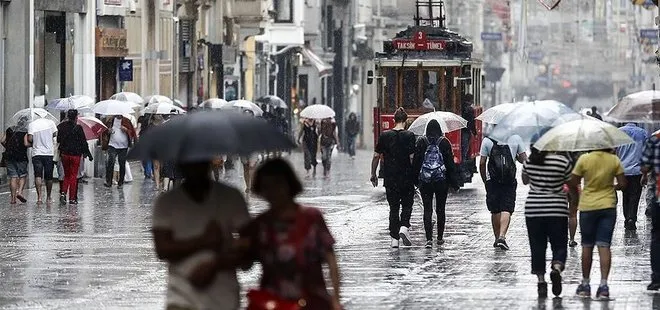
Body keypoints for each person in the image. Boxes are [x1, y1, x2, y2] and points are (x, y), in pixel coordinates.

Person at [240, 159, 341, 310]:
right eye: (266, 186)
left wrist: (336, 299)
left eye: (277, 184)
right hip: (272, 303)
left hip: (312, 302)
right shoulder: (259, 225)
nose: (272, 192)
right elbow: (245, 265)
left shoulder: (312, 218)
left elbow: (331, 261)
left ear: (289, 184)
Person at [152, 160, 250, 310]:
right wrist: (203, 241)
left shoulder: (231, 197)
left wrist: (216, 264)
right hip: (181, 298)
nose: (195, 167)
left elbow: (249, 251)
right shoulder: (167, 202)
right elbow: (162, 249)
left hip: (223, 298)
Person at [569, 148, 626, 299]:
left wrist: (577, 197)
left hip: (588, 206)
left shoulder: (584, 159)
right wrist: (611, 187)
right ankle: (603, 286)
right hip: (608, 206)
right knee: (604, 245)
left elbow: (573, 181)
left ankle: (586, 285)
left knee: (587, 245)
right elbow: (623, 184)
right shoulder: (614, 160)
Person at [522, 147, 576, 298]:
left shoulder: (530, 162)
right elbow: (571, 184)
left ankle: (541, 282)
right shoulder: (561, 161)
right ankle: (557, 268)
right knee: (559, 243)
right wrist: (575, 201)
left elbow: (525, 181)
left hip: (534, 209)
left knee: (537, 245)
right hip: (557, 209)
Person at [371, 107, 417, 248]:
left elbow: (376, 156)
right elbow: (411, 158)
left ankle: (394, 239)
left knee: (393, 207)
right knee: (407, 205)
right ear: (405, 120)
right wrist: (415, 175)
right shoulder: (410, 136)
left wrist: (373, 174)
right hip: (406, 178)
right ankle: (404, 226)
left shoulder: (385, 136)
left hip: (390, 178)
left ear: (394, 120)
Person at [412, 119, 459, 248]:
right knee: (440, 209)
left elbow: (416, 162)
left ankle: (428, 239)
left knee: (427, 209)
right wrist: (454, 183)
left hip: (425, 180)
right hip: (441, 181)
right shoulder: (444, 142)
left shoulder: (421, 142)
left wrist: (415, 180)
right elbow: (450, 164)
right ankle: (439, 237)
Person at [479, 131, 527, 250]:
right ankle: (502, 236)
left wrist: (485, 180)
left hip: (492, 181)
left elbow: (482, 163)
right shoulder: (515, 138)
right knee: (507, 208)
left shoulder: (487, 141)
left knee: (495, 210)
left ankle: (496, 238)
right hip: (509, 180)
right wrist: (515, 156)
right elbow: (524, 159)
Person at [615, 123, 648, 230]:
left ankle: (627, 217)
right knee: (635, 195)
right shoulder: (642, 133)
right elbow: (646, 152)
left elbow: (614, 151)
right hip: (637, 170)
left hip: (622, 170)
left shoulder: (618, 132)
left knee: (626, 194)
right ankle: (631, 218)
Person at [57, 110, 93, 205]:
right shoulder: (78, 128)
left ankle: (63, 192)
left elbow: (58, 140)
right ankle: (72, 198)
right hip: (75, 155)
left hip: (65, 154)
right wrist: (88, 154)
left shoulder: (61, 126)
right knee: (73, 176)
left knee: (66, 175)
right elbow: (83, 142)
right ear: (76, 117)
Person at [642, 131, 660, 291]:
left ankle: (656, 278)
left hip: (658, 195)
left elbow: (645, 167)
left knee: (657, 236)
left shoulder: (655, 139)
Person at [25, 119, 57, 204]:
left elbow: (30, 139)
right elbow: (55, 134)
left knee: (38, 175)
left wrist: (37, 139)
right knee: (49, 177)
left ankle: (39, 198)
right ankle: (48, 197)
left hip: (37, 153)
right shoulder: (51, 122)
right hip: (49, 153)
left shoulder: (32, 124)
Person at [102, 115, 136, 188]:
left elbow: (132, 132)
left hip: (123, 146)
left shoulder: (126, 121)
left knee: (122, 163)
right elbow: (104, 131)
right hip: (112, 144)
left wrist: (126, 130)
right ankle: (109, 181)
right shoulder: (110, 120)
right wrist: (108, 131)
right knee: (111, 161)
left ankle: (120, 182)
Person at [2, 126, 28, 204]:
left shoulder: (10, 129)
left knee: (13, 177)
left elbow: (2, 140)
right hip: (21, 156)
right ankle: (19, 192)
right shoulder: (25, 131)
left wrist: (8, 147)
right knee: (22, 175)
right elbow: (26, 143)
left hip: (9, 156)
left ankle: (13, 199)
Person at [461, 95, 477, 163]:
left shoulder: (462, 107)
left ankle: (463, 160)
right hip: (466, 131)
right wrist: (474, 132)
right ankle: (464, 162)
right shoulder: (470, 109)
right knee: (465, 147)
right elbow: (472, 122)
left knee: (464, 148)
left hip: (462, 129)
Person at [137, 112, 153, 179]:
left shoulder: (141, 119)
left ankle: (147, 172)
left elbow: (138, 129)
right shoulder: (152, 122)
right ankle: (148, 172)